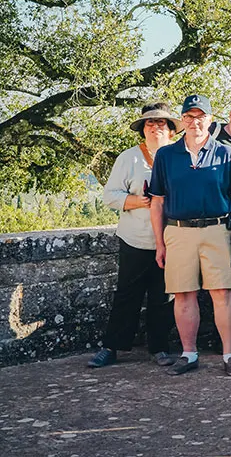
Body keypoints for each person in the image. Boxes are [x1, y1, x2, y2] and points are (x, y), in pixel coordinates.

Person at [148, 94, 231, 377]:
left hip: (218, 230)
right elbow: (157, 201)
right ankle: (188, 353)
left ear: (210, 120)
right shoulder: (166, 155)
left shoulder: (225, 153)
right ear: (182, 121)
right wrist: (159, 242)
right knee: (183, 294)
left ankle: (229, 354)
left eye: (200, 117)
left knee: (222, 293)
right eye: (189, 117)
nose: (195, 122)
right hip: (178, 231)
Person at [89, 103, 181, 369]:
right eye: (149, 124)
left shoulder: (179, 157)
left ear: (171, 130)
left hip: (171, 239)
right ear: (143, 130)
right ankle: (112, 347)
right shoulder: (128, 158)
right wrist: (138, 201)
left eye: (161, 123)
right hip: (135, 239)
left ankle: (159, 348)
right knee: (127, 294)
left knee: (163, 296)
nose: (154, 128)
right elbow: (110, 196)